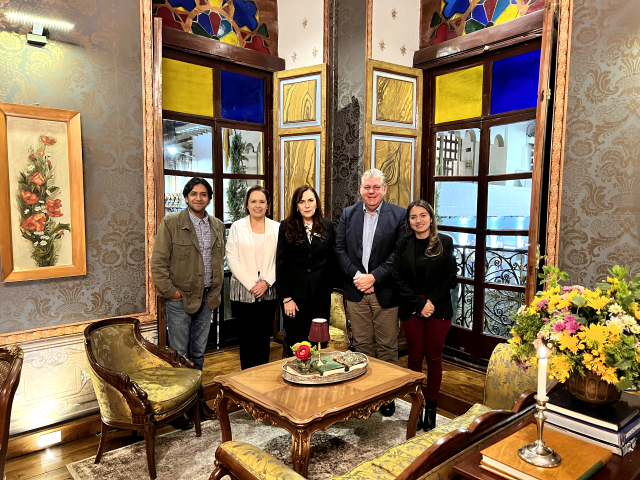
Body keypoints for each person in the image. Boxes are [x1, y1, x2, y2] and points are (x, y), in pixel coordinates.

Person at [151, 177, 222, 428]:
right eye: (194, 194)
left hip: (207, 299)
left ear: (209, 199)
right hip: (180, 300)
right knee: (180, 356)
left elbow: (218, 261)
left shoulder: (217, 226)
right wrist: (172, 293)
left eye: (204, 194)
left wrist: (215, 292)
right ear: (186, 197)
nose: (199, 198)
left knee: (199, 355)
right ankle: (179, 408)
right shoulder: (171, 223)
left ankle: (198, 402)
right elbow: (158, 264)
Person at [335, 168, 406, 417]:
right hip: (356, 291)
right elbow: (340, 249)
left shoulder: (399, 216)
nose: (371, 191)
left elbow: (399, 254)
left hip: (384, 290)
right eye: (367, 187)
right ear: (361, 189)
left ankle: (387, 396)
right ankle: (366, 394)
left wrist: (374, 277)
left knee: (387, 346)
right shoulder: (348, 214)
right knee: (362, 345)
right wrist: (358, 277)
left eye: (376, 187)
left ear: (385, 189)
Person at [392, 199, 457, 431]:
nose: (418, 220)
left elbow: (451, 277)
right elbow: (397, 278)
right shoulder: (403, 244)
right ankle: (417, 406)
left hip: (438, 308)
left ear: (431, 218)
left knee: (434, 358)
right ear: (409, 221)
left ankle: (431, 407)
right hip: (411, 307)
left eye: (422, 215)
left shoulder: (445, 242)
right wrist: (418, 304)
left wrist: (430, 302)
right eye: (413, 217)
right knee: (415, 358)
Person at [226, 185, 279, 370]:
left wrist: (266, 282)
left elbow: (280, 259)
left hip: (268, 291)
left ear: (267, 205)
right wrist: (251, 285)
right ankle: (246, 382)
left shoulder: (277, 228)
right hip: (243, 292)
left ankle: (262, 381)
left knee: (264, 338)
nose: (258, 205)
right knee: (247, 340)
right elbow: (231, 257)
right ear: (247, 205)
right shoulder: (237, 227)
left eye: (262, 201)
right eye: (253, 201)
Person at [276, 185, 335, 349]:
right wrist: (286, 298)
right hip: (294, 298)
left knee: (319, 344)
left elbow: (332, 260)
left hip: (321, 297)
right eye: (302, 202)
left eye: (310, 200)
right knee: (297, 344)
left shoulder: (328, 226)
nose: (307, 205)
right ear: (296, 205)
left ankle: (319, 375)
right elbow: (281, 264)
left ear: (316, 203)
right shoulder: (286, 226)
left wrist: (329, 288)